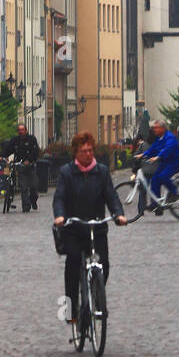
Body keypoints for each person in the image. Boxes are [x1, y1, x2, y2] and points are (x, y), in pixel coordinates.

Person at [52, 132, 126, 339]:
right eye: (83, 150)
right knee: (73, 263)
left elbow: (111, 197)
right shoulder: (67, 172)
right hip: (74, 228)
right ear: (76, 152)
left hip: (97, 227)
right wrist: (60, 216)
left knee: (105, 265)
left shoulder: (101, 172)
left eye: (90, 150)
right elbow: (59, 198)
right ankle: (71, 311)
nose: (87, 153)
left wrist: (118, 214)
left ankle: (96, 296)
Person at [140, 119, 179, 209]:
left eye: (156, 128)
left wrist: (158, 157)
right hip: (165, 163)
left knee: (162, 177)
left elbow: (168, 149)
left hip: (174, 162)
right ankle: (155, 202)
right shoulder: (159, 138)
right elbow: (153, 148)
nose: (154, 130)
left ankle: (175, 193)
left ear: (162, 128)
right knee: (155, 179)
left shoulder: (170, 137)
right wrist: (142, 155)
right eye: (154, 128)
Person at [6, 123, 40, 212]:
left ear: (26, 130)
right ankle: (26, 206)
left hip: (31, 166)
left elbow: (36, 151)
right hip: (21, 166)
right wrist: (3, 156)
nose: (21, 132)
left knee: (34, 186)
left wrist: (30, 160)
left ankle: (33, 200)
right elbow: (8, 149)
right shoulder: (15, 140)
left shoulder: (32, 139)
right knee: (23, 187)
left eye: (22, 130)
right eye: (19, 130)